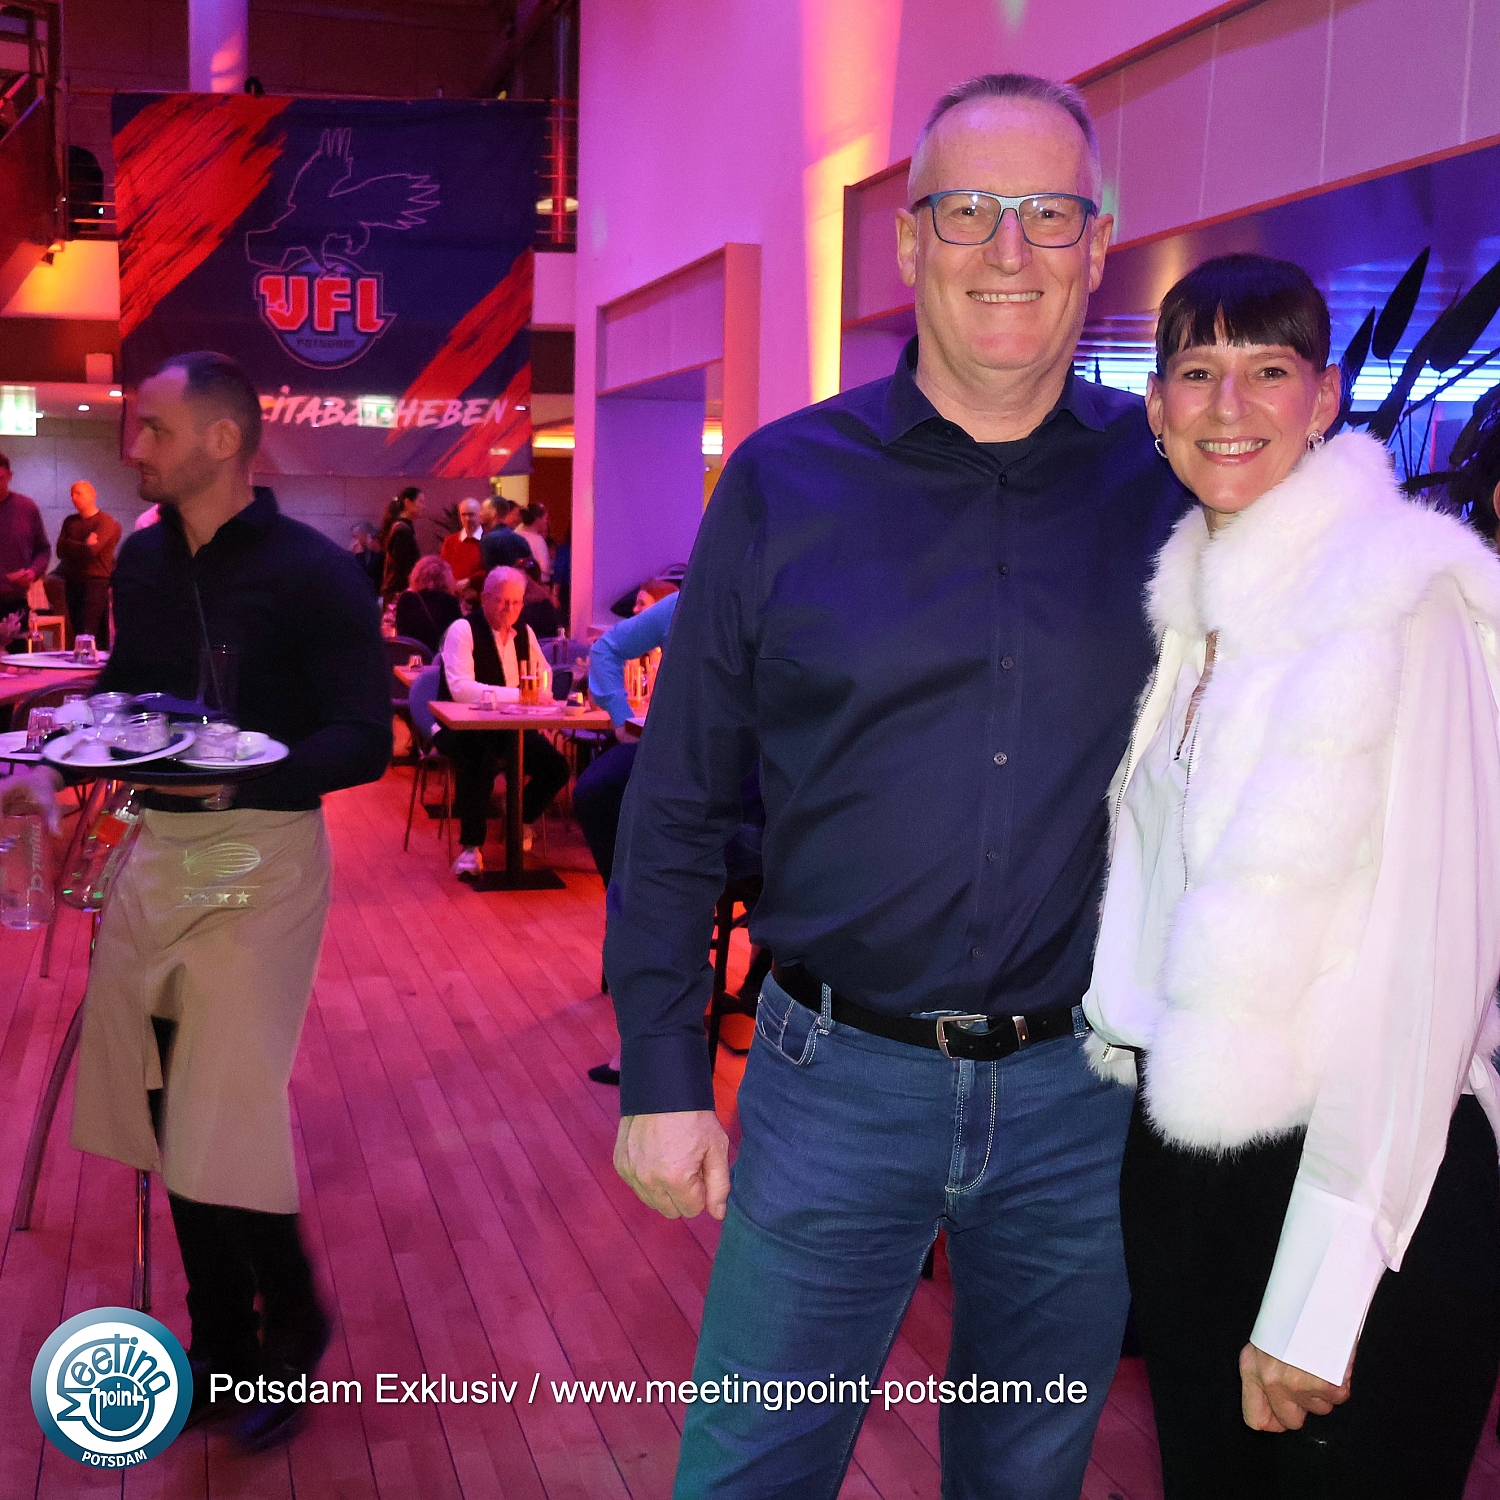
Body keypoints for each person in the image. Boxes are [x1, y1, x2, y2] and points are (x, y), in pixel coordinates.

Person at [604, 72, 1189, 1498]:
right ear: (911, 243)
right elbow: (677, 798)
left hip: (1083, 1097)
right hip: (832, 1086)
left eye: (1048, 213)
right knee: (750, 1470)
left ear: (1098, 245)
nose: (1009, 249)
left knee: (1026, 1473)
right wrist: (664, 1072)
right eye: (969, 211)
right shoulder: (781, 483)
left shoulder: (1173, 483)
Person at [1084, 253, 1500, 1499]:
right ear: (1156, 408)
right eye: (1197, 372)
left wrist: (1323, 1295)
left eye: (1268, 371)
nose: (1229, 406)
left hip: (1366, 1185)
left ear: (1323, 400)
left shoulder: (1403, 603)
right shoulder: (1195, 610)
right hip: (1193, 1165)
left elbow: (1426, 981)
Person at [4, 352, 391, 1451]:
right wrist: (51, 748)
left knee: (219, 1102)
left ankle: (290, 1324)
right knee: (168, 1100)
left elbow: (365, 738)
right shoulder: (141, 560)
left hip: (263, 860)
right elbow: (133, 689)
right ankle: (222, 1338)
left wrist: (244, 773)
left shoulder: (316, 574)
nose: (135, 447)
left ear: (222, 441)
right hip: (156, 852)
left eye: (155, 430)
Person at [437, 565, 570, 875]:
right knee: (478, 761)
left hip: (512, 728)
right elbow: (461, 690)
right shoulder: (463, 630)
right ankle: (471, 848)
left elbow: (544, 677)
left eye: (517, 602)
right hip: (464, 727)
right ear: (485, 598)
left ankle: (518, 818)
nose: (510, 609)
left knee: (556, 768)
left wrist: (535, 701)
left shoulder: (525, 632)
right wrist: (522, 695)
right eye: (502, 601)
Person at [55, 480, 122, 644]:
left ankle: (94, 658)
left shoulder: (105, 521)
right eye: (72, 494)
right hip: (73, 581)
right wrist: (84, 544)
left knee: (89, 630)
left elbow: (91, 552)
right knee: (78, 630)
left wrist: (72, 545)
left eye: (79, 493)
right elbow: (60, 550)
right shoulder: (70, 521)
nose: (74, 497)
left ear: (93, 495)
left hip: (96, 582)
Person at [0, 451, 49, 629]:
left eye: (0, 478)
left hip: (14, 600)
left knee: (15, 648)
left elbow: (43, 549)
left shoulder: (26, 508)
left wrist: (33, 571)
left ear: (9, 476)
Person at [394, 554, 463, 655]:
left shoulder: (405, 600)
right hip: (437, 660)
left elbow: (402, 635)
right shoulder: (450, 601)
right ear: (445, 578)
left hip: (408, 658)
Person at [378, 486, 423, 601]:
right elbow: (402, 566)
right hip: (400, 592)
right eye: (420, 502)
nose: (423, 507)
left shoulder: (401, 528)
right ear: (407, 502)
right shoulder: (401, 530)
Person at [477, 495, 533, 572]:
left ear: (493, 513)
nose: (480, 514)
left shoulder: (488, 540)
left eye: (483, 510)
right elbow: (531, 566)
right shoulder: (521, 540)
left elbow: (489, 573)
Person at [440, 496, 485, 586]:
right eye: (463, 515)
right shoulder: (450, 541)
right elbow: (443, 567)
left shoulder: (488, 540)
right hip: (453, 590)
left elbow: (491, 569)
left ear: (480, 515)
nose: (467, 519)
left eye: (471, 514)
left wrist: (470, 581)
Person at [516, 501, 552, 580]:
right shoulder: (538, 540)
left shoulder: (515, 534)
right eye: (545, 518)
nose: (546, 522)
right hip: (537, 581)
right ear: (538, 519)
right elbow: (545, 567)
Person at [348, 519, 384, 592]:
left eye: (355, 536)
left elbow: (368, 572)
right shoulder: (362, 550)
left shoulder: (377, 550)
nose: (354, 540)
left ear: (365, 534)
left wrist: (357, 554)